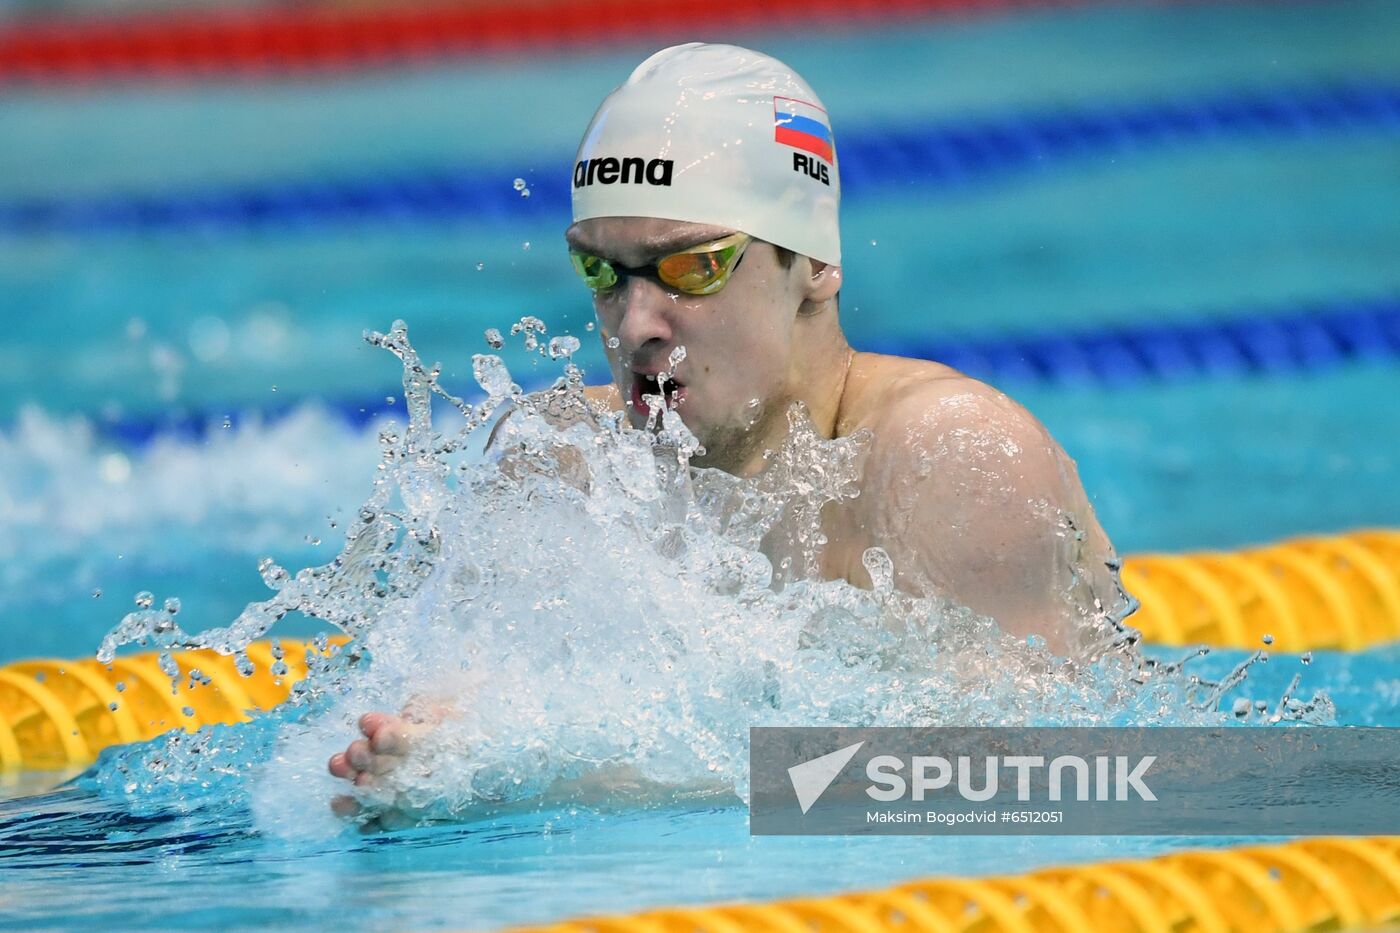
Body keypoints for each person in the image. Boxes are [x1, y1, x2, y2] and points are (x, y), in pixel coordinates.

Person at [329, 43, 1127, 794]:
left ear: (811, 263)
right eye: (601, 270)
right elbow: (462, 701)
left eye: (693, 268)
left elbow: (1034, 788)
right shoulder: (559, 458)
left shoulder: (948, 458)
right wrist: (426, 757)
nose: (634, 323)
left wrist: (588, 779)